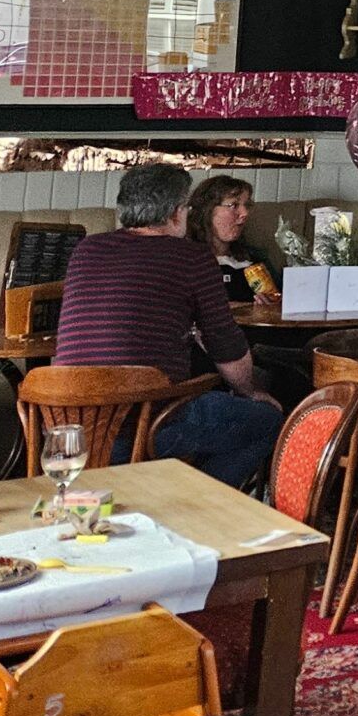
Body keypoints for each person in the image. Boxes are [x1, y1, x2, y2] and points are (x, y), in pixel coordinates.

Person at [52, 163, 282, 488]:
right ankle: (195, 505)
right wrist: (250, 391)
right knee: (266, 420)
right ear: (176, 213)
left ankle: (170, 499)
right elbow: (226, 347)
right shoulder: (192, 257)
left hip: (69, 427)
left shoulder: (86, 250)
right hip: (146, 425)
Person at [184, 174, 278, 307]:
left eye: (247, 205)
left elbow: (280, 304)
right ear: (207, 210)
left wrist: (271, 305)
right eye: (234, 205)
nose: (245, 213)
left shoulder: (255, 259)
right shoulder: (186, 261)